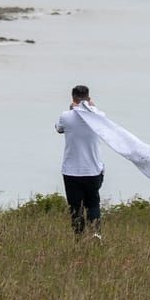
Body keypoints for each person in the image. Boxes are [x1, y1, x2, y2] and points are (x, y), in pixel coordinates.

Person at [55, 84, 106, 239]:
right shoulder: (99, 116)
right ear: (89, 98)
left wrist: (72, 110)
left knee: (76, 207)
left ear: (73, 99)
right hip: (93, 170)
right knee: (93, 204)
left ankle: (79, 238)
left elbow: (58, 128)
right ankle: (96, 234)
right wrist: (93, 108)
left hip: (71, 171)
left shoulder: (66, 116)